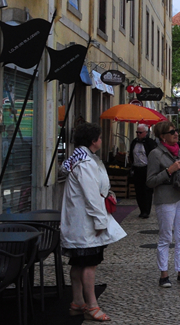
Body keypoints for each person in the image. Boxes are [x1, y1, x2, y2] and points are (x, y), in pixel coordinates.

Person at [61, 122, 127, 322]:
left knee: (78, 263)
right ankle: (91, 306)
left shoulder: (81, 159)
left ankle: (77, 302)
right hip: (86, 223)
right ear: (93, 141)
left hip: (79, 221)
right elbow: (91, 196)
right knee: (89, 264)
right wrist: (100, 222)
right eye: (99, 137)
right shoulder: (86, 163)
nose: (101, 140)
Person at [147, 121, 180, 287]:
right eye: (171, 132)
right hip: (165, 199)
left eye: (175, 131)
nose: (176, 134)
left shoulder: (179, 151)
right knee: (166, 237)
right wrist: (169, 171)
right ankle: (164, 275)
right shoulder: (155, 154)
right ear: (162, 136)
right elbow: (150, 181)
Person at [127, 124, 157, 218]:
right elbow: (131, 154)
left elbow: (153, 155)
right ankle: (141, 209)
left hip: (147, 169)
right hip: (137, 168)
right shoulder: (134, 142)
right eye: (137, 132)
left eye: (140, 132)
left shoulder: (149, 142)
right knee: (138, 190)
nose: (138, 134)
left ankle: (146, 211)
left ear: (145, 133)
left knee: (147, 190)